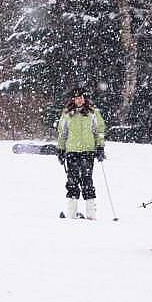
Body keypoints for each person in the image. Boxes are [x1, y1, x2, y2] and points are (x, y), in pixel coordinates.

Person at [56, 87, 106, 220]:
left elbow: (99, 130)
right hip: (72, 151)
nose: (79, 100)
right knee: (72, 181)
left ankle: (91, 214)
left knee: (87, 180)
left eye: (81, 98)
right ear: (73, 99)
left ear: (84, 98)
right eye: (76, 98)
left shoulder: (92, 113)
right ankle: (71, 213)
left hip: (87, 151)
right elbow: (62, 133)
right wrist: (61, 150)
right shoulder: (67, 114)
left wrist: (100, 147)